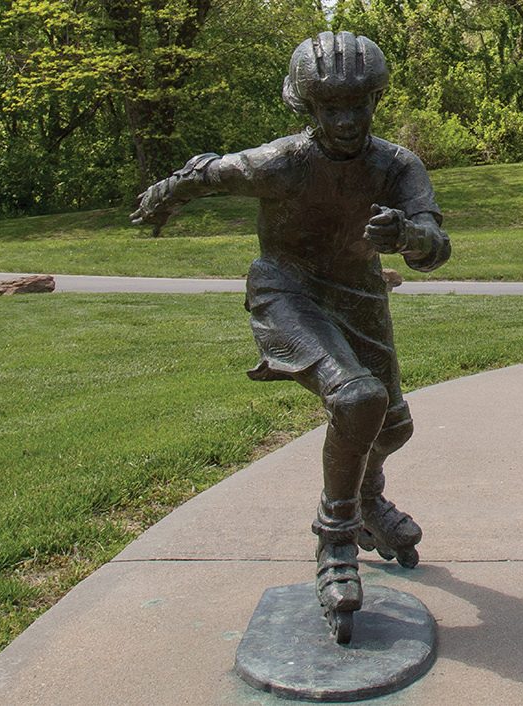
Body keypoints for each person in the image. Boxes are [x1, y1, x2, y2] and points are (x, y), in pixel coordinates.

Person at [129, 31, 439, 644]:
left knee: (393, 426)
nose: (346, 121)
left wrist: (408, 235)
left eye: (359, 105)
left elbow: (434, 242)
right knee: (356, 400)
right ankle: (336, 540)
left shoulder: (396, 166)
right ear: (306, 105)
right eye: (330, 108)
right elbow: (209, 173)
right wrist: (164, 194)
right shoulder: (284, 161)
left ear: (376, 100)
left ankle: (367, 497)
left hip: (359, 296)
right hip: (288, 291)